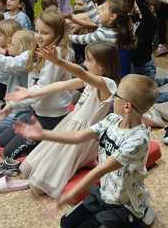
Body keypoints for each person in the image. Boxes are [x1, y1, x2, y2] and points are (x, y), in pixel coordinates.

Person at [14, 74, 159, 228]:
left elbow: (99, 171)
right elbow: (77, 136)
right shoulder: (112, 120)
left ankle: (136, 222)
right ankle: (104, 215)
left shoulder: (138, 141)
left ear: (127, 106)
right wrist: (43, 134)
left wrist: (68, 195)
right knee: (67, 226)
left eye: (116, 95)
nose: (113, 97)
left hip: (125, 205)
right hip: (104, 194)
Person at [15, 42, 121, 197]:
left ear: (102, 67)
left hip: (82, 135)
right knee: (27, 169)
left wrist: (59, 61)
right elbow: (61, 85)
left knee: (38, 187)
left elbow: (82, 73)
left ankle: (86, 158)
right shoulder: (91, 80)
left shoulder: (107, 84)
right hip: (71, 124)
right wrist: (31, 93)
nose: (84, 63)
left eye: (89, 60)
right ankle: (86, 160)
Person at [0, 11, 75, 158]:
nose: (38, 36)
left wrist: (13, 104)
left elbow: (41, 90)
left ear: (58, 34)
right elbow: (11, 62)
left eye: (45, 33)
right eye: (37, 31)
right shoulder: (40, 49)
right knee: (2, 141)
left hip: (51, 118)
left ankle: (50, 140)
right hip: (37, 113)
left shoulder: (57, 54)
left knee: (8, 153)